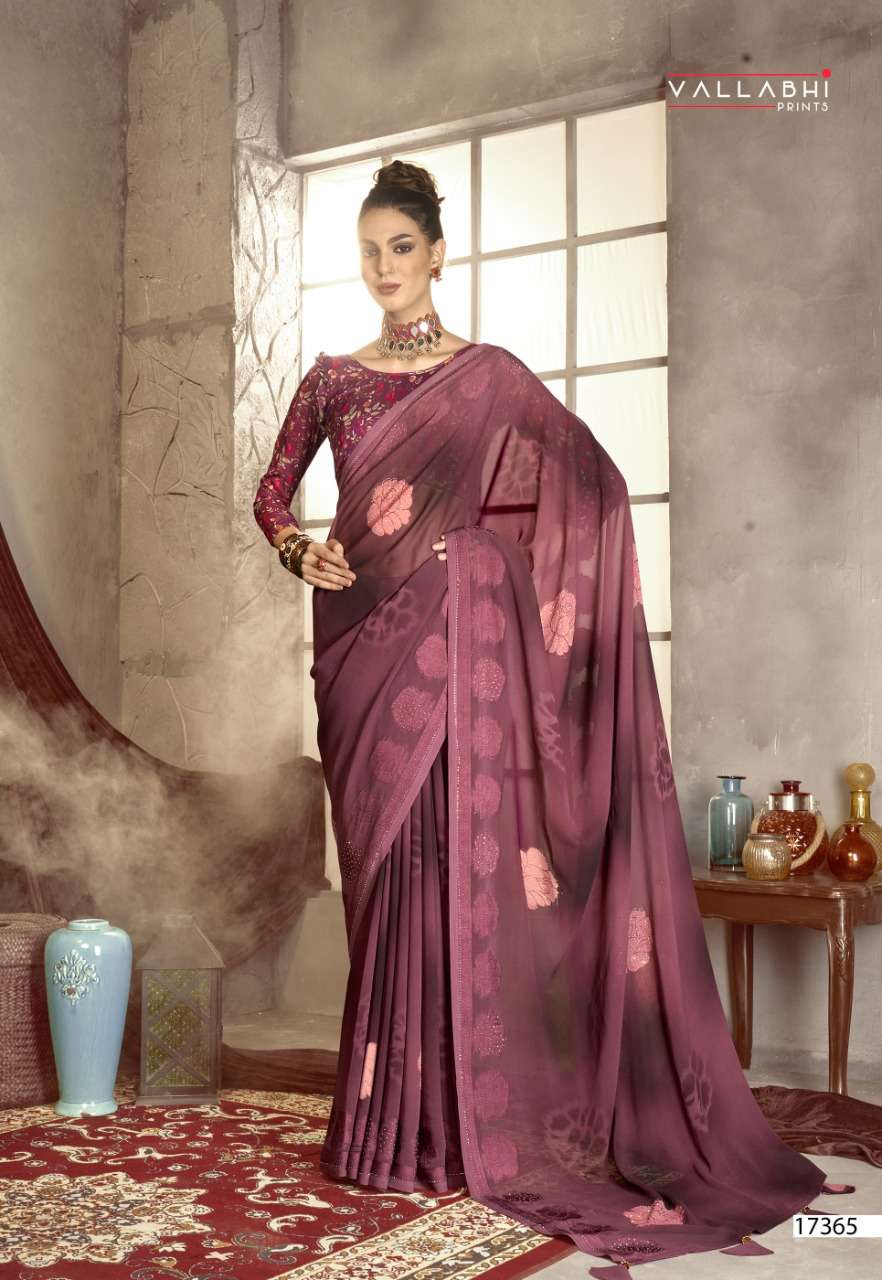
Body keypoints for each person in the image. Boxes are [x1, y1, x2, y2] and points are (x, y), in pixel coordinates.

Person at [253, 160, 846, 1273]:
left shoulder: (491, 378)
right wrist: (298, 548)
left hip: (461, 659)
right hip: (365, 656)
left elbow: (590, 487)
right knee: (387, 880)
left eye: (400, 247)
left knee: (453, 868)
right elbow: (272, 491)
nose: (383, 268)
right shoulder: (331, 379)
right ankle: (388, 1126)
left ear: (437, 254)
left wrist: (481, 561)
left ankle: (456, 1123)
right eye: (369, 250)